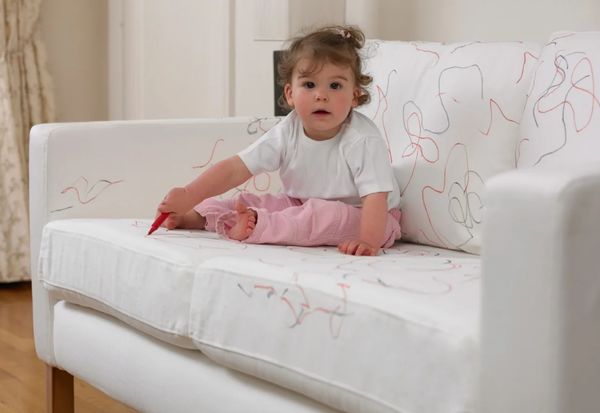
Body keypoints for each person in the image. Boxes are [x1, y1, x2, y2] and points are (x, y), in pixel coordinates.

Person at [155, 25, 401, 256]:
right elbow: (236, 169)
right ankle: (199, 216)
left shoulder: (362, 139)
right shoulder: (287, 130)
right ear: (290, 94)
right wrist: (189, 194)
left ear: (355, 96)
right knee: (250, 201)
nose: (321, 95)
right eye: (309, 84)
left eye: (335, 85)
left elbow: (375, 197)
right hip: (299, 202)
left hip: (368, 217)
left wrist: (368, 241)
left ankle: (258, 226)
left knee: (316, 216)